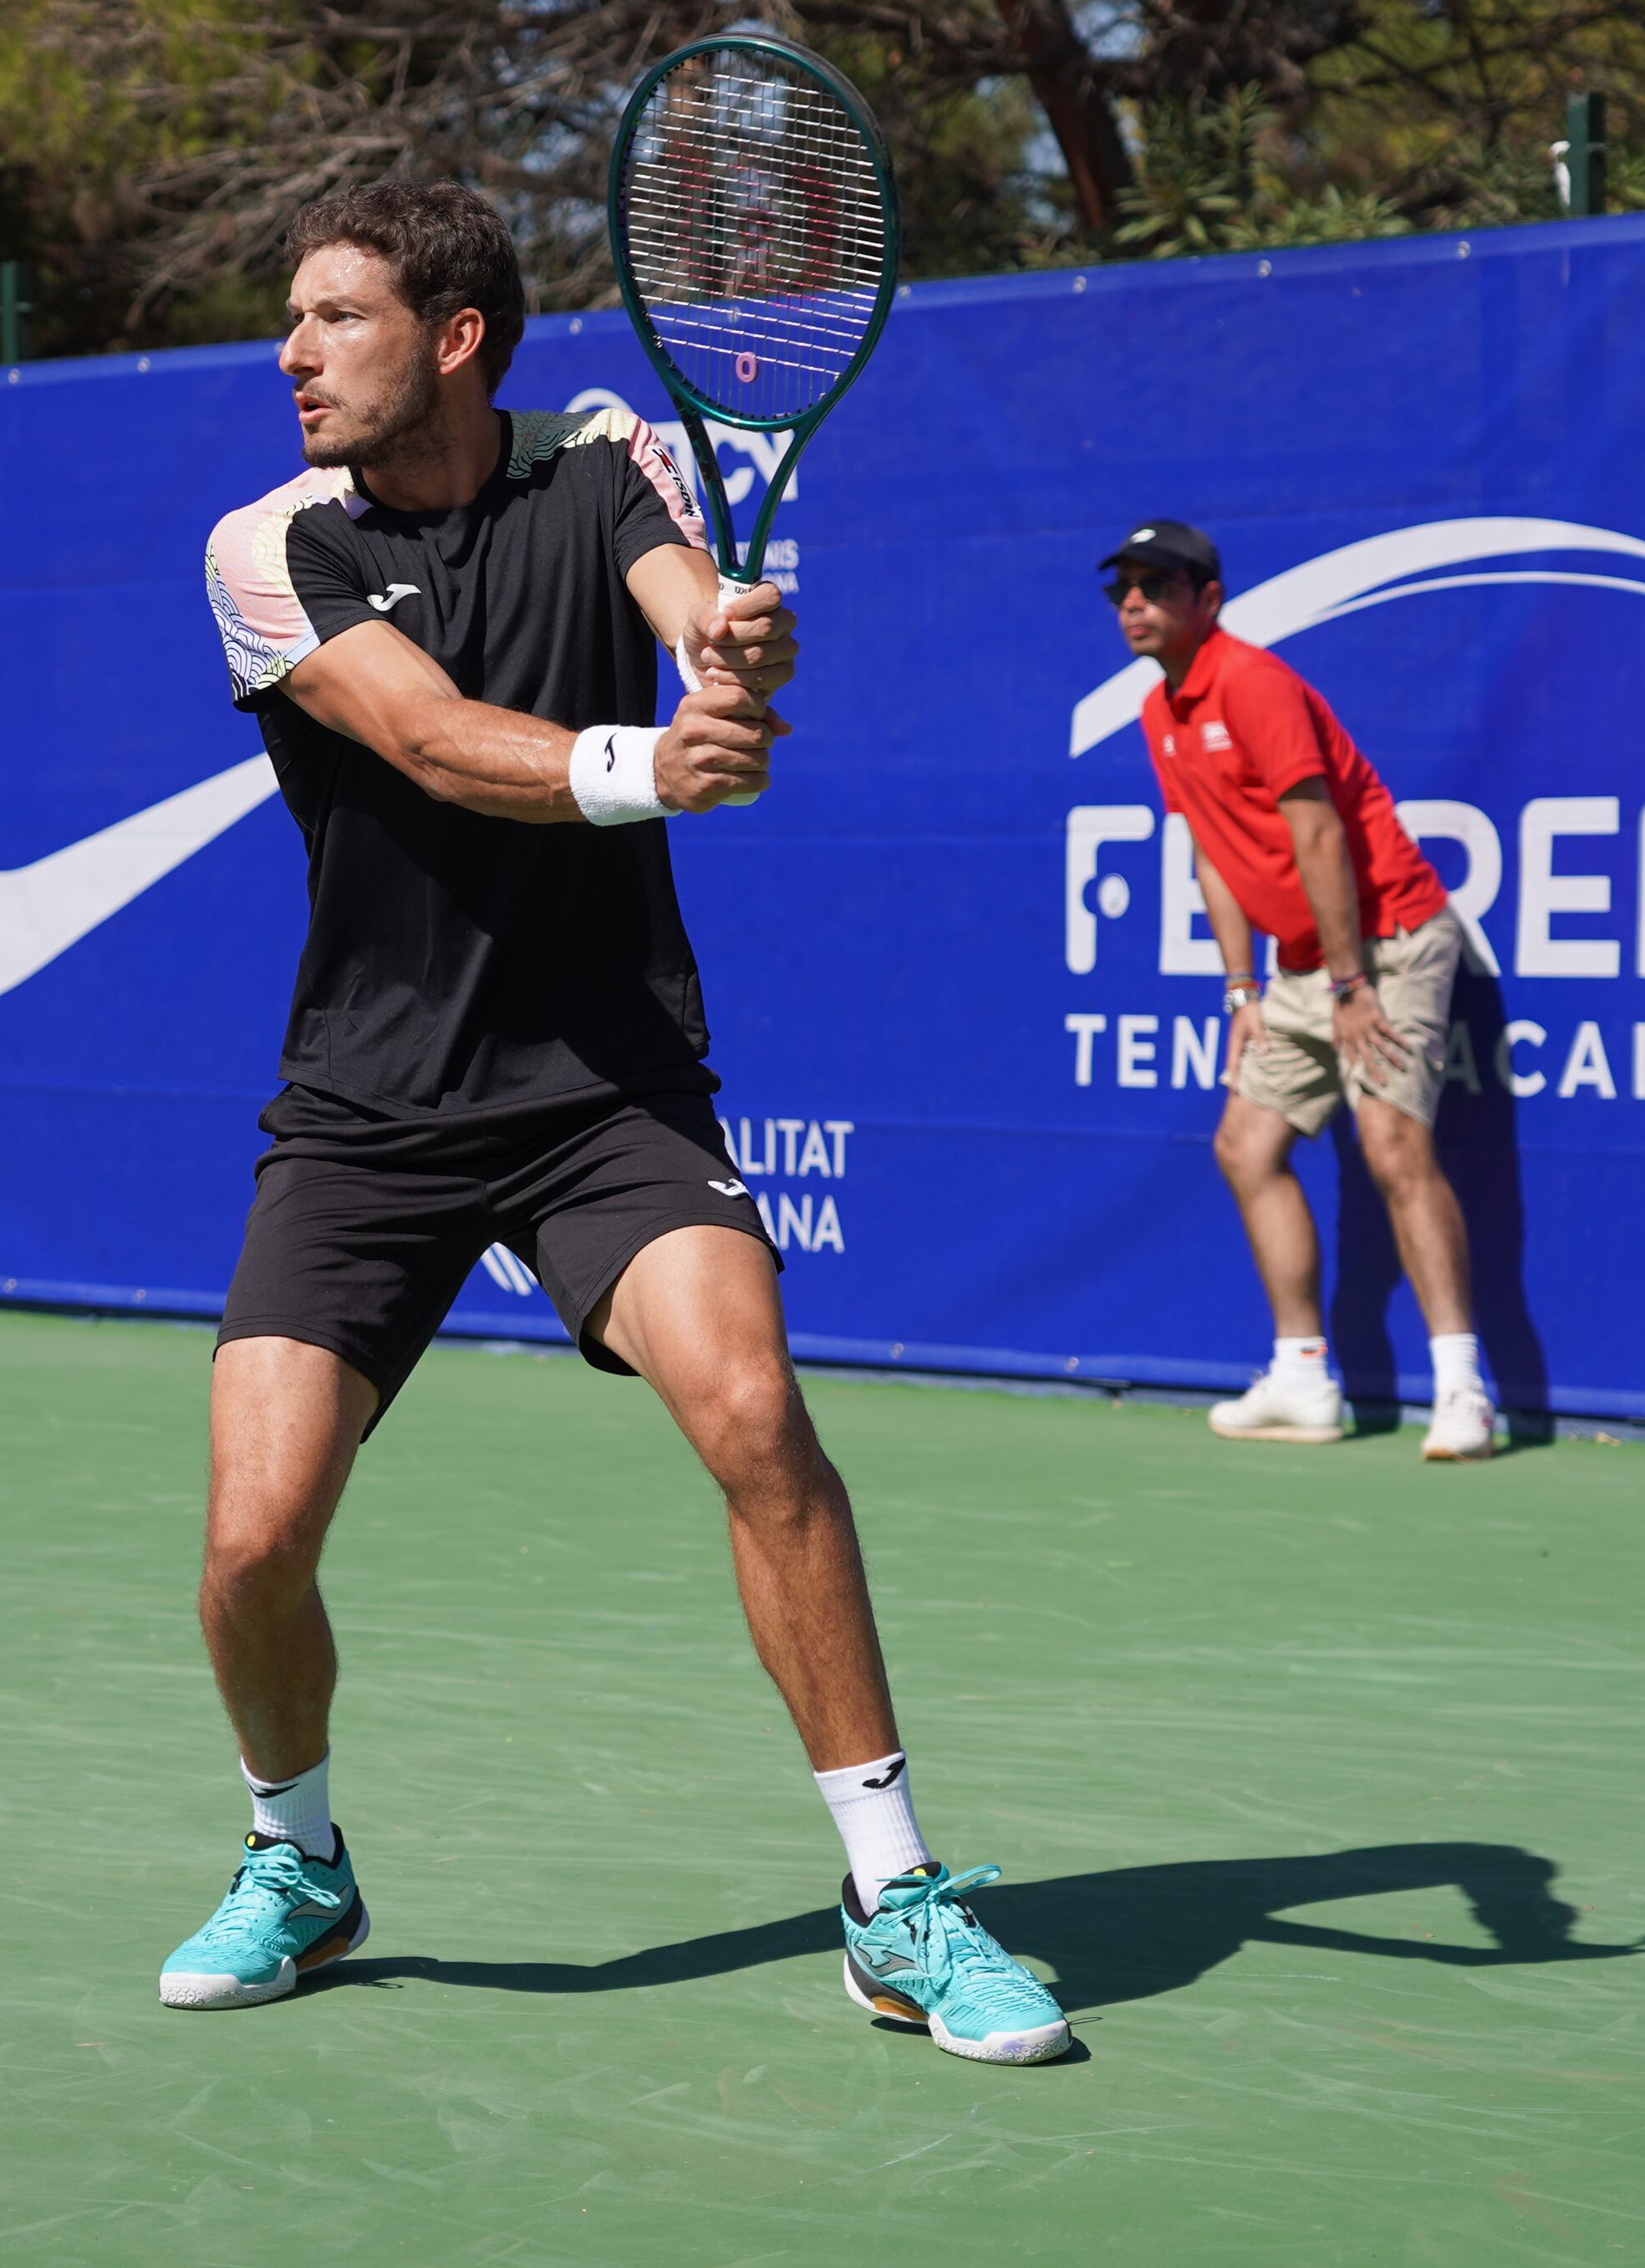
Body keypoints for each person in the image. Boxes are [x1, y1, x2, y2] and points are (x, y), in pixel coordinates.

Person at [166, 181, 1068, 2065]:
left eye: (333, 318)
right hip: (368, 1108)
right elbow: (421, 737)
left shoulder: (603, 454)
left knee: (752, 1411)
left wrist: (729, 652)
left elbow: (688, 617)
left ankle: (895, 1894)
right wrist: (648, 764)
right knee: (253, 1539)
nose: (292, 354)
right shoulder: (269, 544)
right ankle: (295, 1852)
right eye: (293, 322)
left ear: (455, 335)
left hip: (599, 1083)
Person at [1103, 521, 1500, 1460]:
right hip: (1299, 964)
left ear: (1209, 600)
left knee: (1392, 1145)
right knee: (1246, 1144)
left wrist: (1352, 980)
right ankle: (1301, 1374)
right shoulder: (1158, 713)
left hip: (1387, 944)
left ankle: (1461, 1391)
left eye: (1156, 586)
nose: (1132, 603)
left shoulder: (1253, 684)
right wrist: (1241, 990)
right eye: (1122, 588)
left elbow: (1318, 837)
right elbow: (1211, 855)